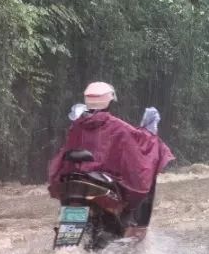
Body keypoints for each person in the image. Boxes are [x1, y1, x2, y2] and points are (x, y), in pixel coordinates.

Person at [48, 82, 174, 239]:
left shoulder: (76, 125)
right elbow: (140, 148)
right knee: (147, 175)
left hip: (72, 180)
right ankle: (138, 229)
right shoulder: (117, 126)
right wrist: (149, 132)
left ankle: (72, 237)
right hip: (102, 179)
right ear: (109, 101)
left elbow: (64, 152)